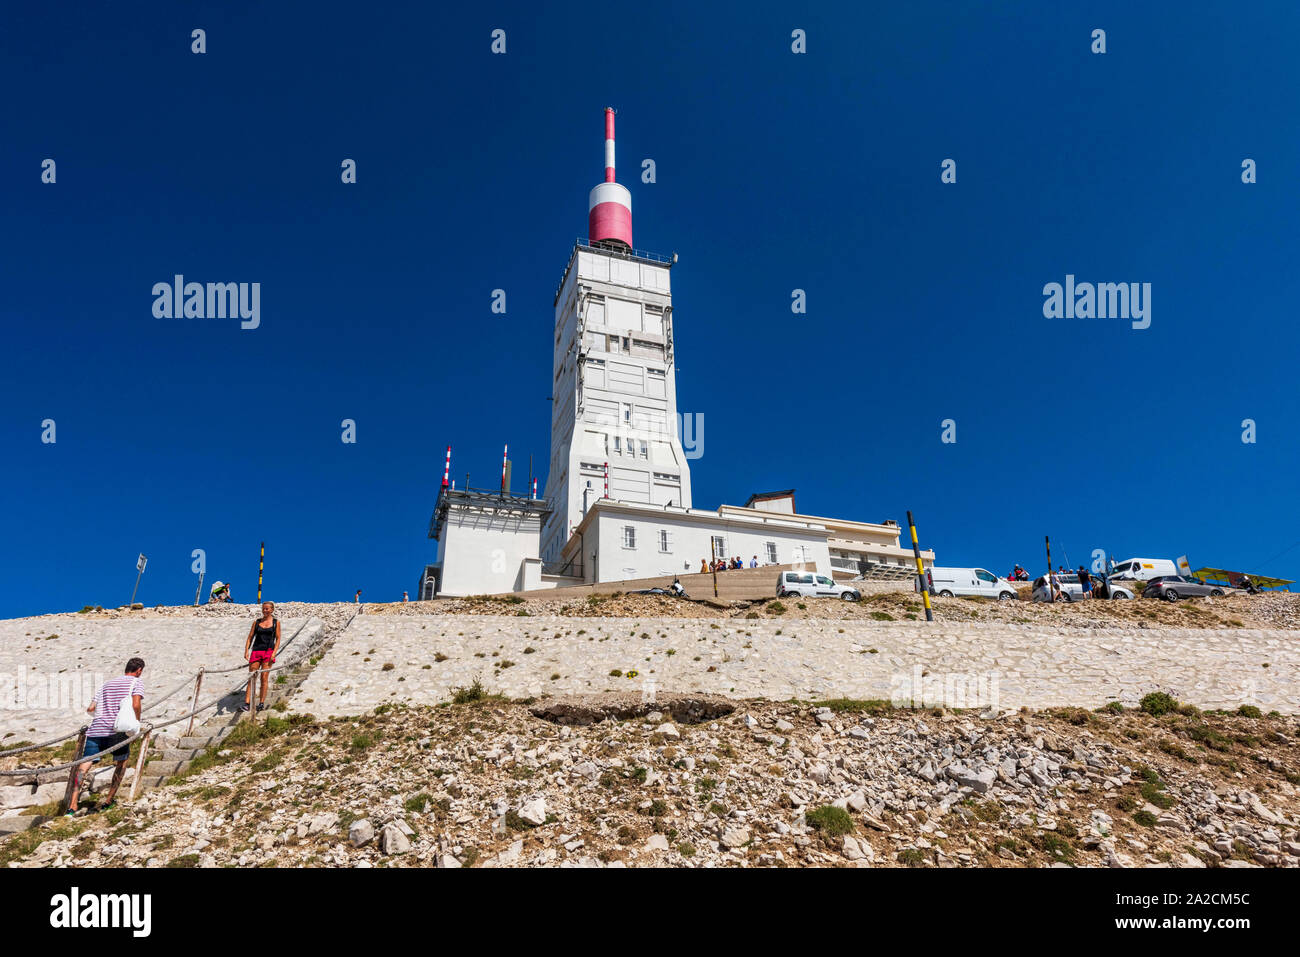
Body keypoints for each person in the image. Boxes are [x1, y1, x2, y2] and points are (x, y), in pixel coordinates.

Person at [68, 658, 145, 816]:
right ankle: (108, 801)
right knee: (121, 762)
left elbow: (91, 708)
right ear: (139, 671)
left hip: (96, 729)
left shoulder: (106, 684)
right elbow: (136, 704)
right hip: (117, 730)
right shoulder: (136, 683)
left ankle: (72, 804)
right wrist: (137, 722)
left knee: (84, 766)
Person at [242, 601, 281, 712]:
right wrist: (246, 650)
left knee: (264, 677)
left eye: (267, 609)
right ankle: (247, 703)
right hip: (256, 650)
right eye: (263, 609)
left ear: (272, 610)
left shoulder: (276, 622)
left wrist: (274, 652)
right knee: (251, 677)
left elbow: (278, 638)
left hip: (268, 651)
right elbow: (250, 637)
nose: (265, 611)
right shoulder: (257, 622)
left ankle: (261, 703)